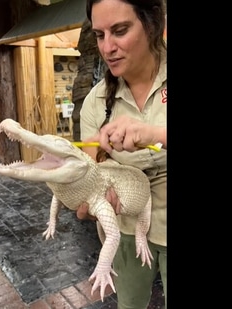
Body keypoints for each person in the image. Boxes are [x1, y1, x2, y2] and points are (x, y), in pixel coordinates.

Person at [77, 0, 167, 308]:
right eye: (100, 35)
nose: (108, 47)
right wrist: (89, 195)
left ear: (152, 24)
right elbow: (88, 172)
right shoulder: (95, 103)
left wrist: (157, 135)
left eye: (120, 30)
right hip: (127, 226)